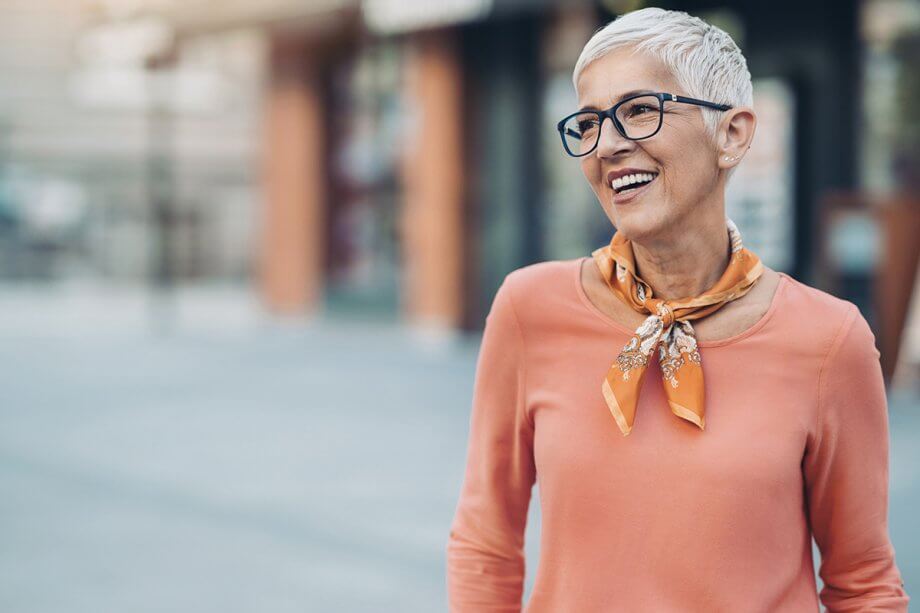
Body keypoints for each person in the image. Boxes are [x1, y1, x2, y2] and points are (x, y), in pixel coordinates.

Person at [446, 7, 910, 612]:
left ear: (733, 133)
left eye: (640, 110)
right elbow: (486, 546)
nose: (608, 145)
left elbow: (864, 583)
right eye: (588, 123)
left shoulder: (829, 340)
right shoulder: (528, 309)